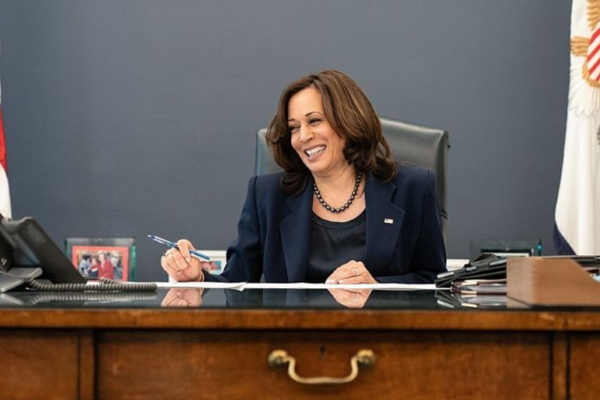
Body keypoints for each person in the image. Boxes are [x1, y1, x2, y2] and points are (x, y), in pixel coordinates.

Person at [162, 69, 446, 284]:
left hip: (383, 344)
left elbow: (435, 283)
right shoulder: (267, 195)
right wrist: (195, 278)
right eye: (294, 127)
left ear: (348, 122)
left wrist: (376, 288)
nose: (303, 137)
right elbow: (236, 285)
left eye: (314, 121)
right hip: (292, 346)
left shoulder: (414, 188)